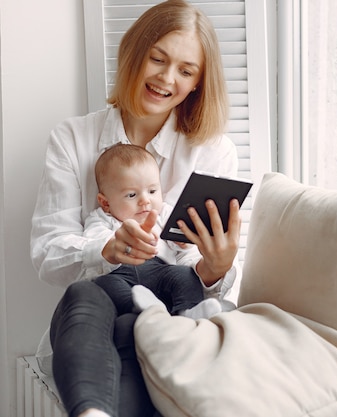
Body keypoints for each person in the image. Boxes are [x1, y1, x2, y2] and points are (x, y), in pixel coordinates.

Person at [30, 1, 240, 416]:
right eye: (157, 59)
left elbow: (198, 264)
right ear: (132, 55)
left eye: (186, 70)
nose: (166, 79)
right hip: (98, 312)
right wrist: (104, 251)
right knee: (89, 297)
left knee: (139, 327)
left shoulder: (213, 151)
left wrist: (217, 268)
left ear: (199, 82)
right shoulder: (72, 139)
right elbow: (48, 257)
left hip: (172, 312)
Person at [89, 143, 234, 319]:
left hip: (161, 272)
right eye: (132, 195)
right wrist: (113, 245)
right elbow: (95, 245)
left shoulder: (163, 213)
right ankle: (142, 309)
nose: (145, 201)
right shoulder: (100, 219)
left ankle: (190, 311)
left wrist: (183, 243)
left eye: (152, 191)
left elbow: (180, 241)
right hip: (120, 275)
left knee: (184, 275)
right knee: (103, 285)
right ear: (105, 203)